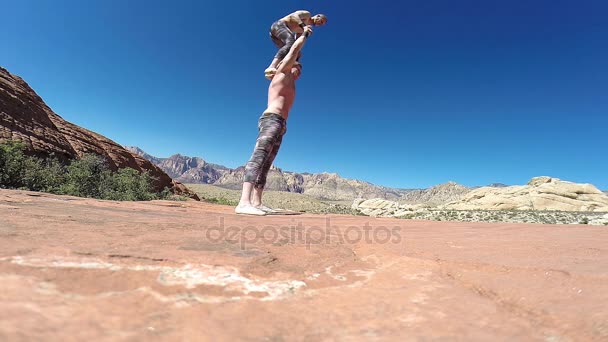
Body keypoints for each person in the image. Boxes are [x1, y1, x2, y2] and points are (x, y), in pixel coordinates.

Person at [235, 27, 313, 216]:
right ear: (290, 64)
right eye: (298, 65)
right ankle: (243, 202)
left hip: (281, 124)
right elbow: (293, 51)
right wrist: (304, 35)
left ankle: (257, 202)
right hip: (271, 119)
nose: (300, 69)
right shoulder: (282, 73)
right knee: (259, 156)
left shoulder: (291, 81)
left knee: (268, 162)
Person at [264, 10, 327, 79]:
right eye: (321, 21)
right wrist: (303, 26)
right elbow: (293, 16)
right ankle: (271, 67)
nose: (320, 24)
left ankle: (282, 70)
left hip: (276, 34)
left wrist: (305, 34)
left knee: (294, 51)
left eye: (321, 24)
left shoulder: (304, 28)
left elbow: (297, 42)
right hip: (279, 25)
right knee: (291, 43)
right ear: (317, 16)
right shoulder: (307, 15)